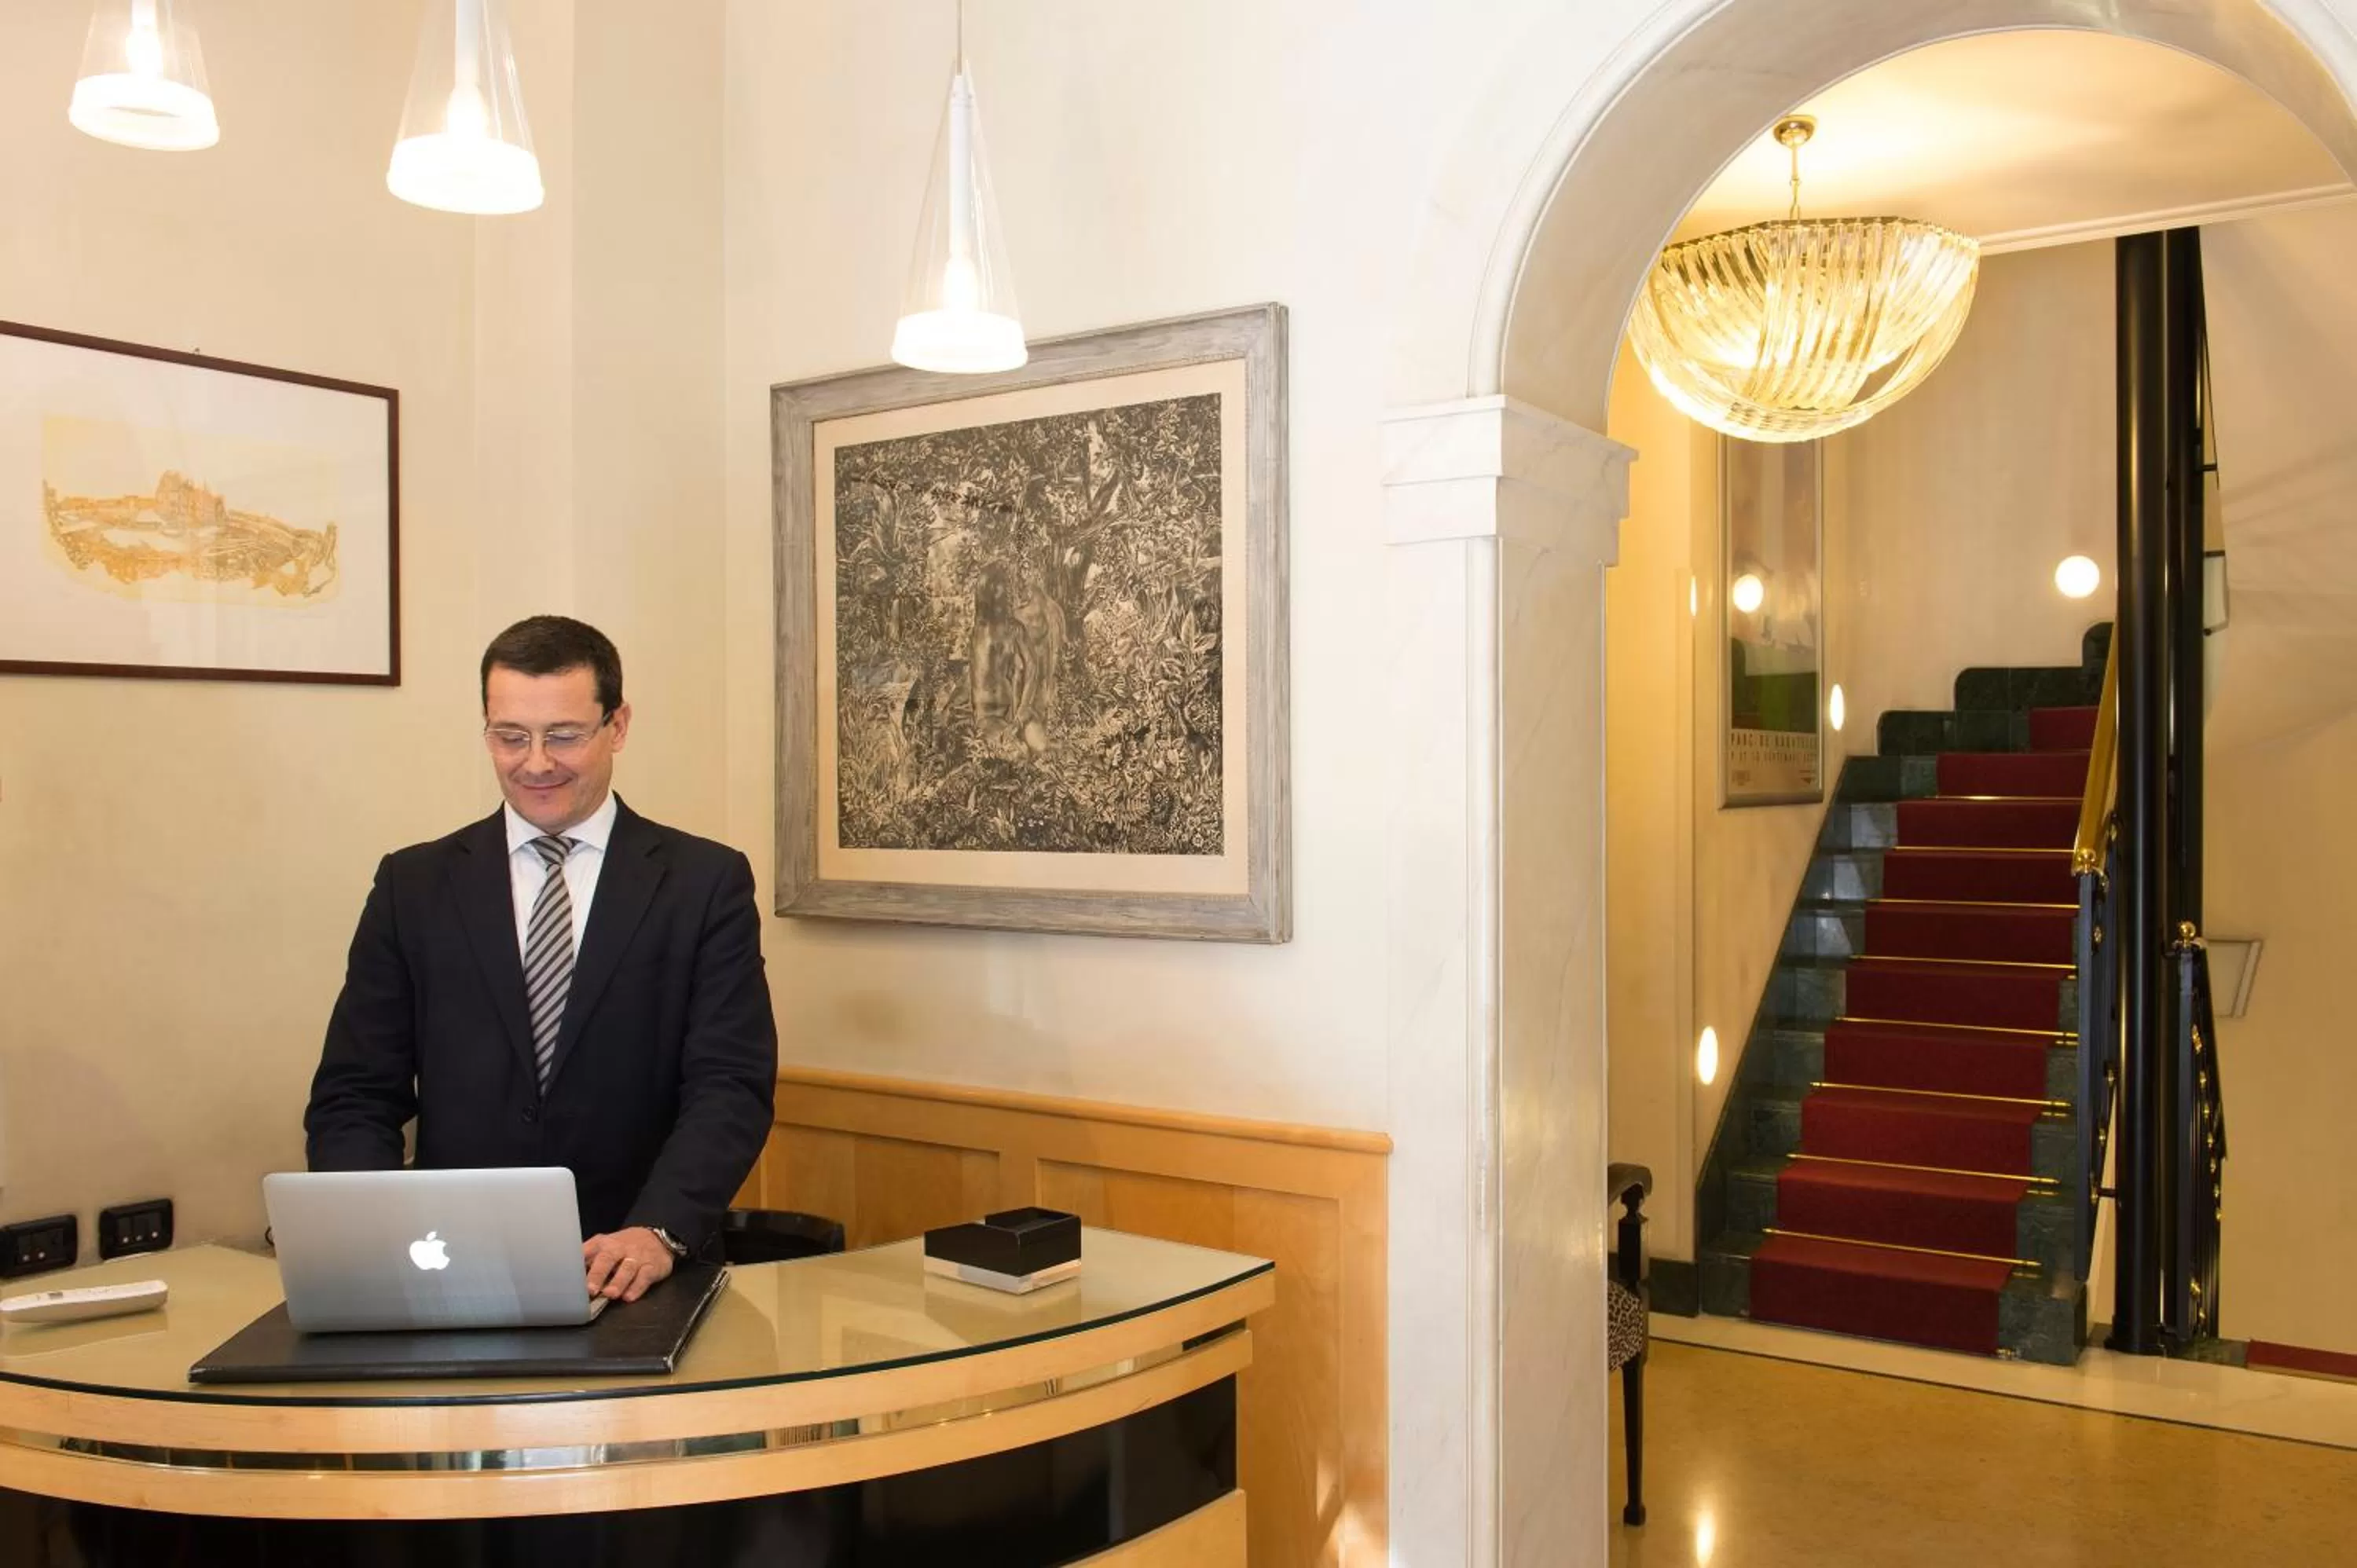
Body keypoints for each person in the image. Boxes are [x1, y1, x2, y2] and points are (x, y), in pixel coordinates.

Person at [304, 616, 778, 1304]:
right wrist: (370, 1231)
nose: (535, 763)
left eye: (563, 735)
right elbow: (354, 1093)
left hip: (641, 1272)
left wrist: (660, 1230)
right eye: (510, 737)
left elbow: (730, 1085)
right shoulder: (414, 885)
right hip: (448, 1270)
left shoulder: (704, 882)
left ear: (617, 726)